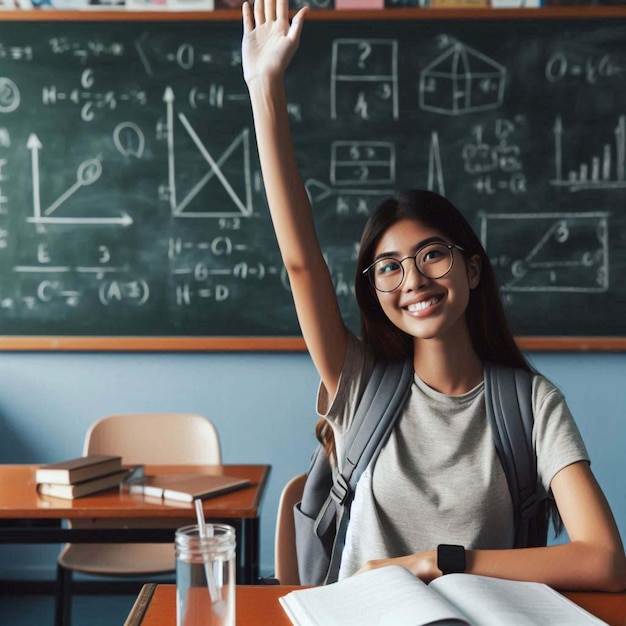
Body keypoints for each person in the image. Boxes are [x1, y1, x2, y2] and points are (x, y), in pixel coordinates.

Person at [241, 0, 626, 591]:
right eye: (389, 267)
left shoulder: (530, 405)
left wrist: (437, 561)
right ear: (375, 291)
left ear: (472, 270)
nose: (413, 280)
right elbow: (302, 265)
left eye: (432, 255)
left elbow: (603, 560)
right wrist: (265, 88)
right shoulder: (361, 383)